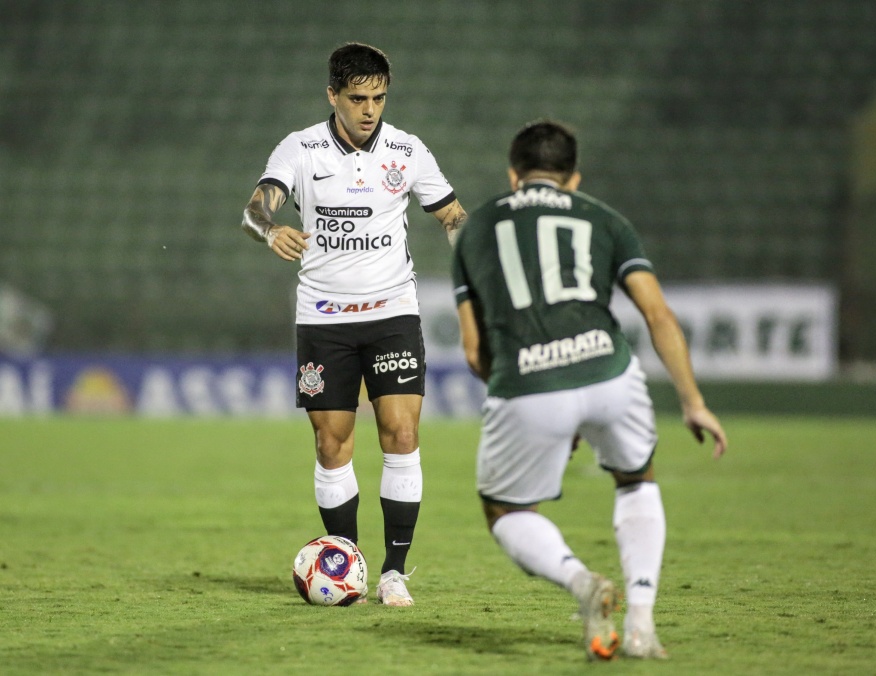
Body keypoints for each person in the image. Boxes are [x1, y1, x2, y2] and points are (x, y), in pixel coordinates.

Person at [451, 120, 727, 659]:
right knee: (635, 480)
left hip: (528, 380)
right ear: (573, 179)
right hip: (609, 372)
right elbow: (658, 315)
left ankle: (582, 585)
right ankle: (643, 623)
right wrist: (693, 402)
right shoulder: (605, 219)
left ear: (514, 176)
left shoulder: (476, 229)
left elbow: (472, 348)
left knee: (505, 511)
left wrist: (537, 405)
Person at [242, 42, 467, 607]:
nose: (370, 109)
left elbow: (453, 215)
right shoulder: (301, 149)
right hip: (323, 317)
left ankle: (393, 571)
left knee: (402, 433)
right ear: (333, 96)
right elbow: (253, 209)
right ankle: (346, 562)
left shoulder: (407, 151)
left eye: (379, 97)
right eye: (358, 98)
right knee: (330, 442)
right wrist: (270, 231)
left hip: (392, 312)